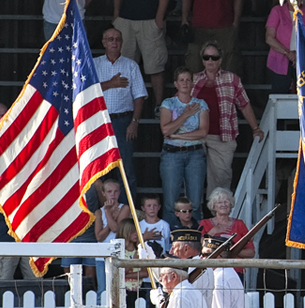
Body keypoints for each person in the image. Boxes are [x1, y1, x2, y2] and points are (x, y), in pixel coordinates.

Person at [192, 40, 258, 196]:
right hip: (195, 136)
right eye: (206, 57)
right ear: (202, 59)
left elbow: (244, 104)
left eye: (214, 58)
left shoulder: (232, 79)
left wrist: (255, 128)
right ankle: (195, 217)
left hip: (222, 137)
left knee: (221, 180)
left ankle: (218, 216)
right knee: (193, 177)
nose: (210, 61)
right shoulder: (192, 79)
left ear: (220, 60)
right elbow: (178, 105)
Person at [94, 26, 147, 192]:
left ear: (122, 43)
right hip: (99, 121)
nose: (114, 42)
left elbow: (139, 96)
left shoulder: (131, 66)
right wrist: (111, 84)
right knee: (98, 168)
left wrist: (135, 122)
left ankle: (126, 211)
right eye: (110, 39)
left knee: (125, 168)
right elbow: (84, 91)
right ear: (104, 42)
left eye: (117, 39)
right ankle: (100, 212)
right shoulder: (93, 64)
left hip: (123, 121)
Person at [158, 69, 209, 206]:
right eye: (181, 80)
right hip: (172, 153)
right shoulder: (168, 103)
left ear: (192, 83)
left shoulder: (201, 103)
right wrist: (185, 114)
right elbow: (165, 129)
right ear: (176, 84)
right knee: (170, 201)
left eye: (188, 80)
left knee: (196, 202)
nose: (185, 83)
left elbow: (203, 132)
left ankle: (195, 228)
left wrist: (177, 135)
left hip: (195, 153)